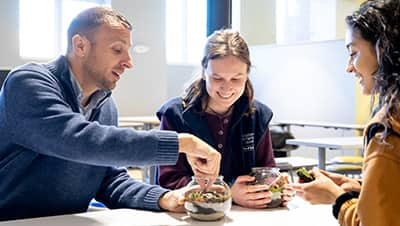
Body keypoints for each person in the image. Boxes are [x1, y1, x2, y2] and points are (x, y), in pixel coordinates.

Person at [0, 6, 221, 221]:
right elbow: (77, 140)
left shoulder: (106, 106)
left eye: (128, 51)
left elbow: (109, 180)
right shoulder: (27, 83)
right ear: (80, 45)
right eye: (117, 49)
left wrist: (164, 197)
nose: (128, 62)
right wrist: (181, 143)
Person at [156, 29, 293, 209]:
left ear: (247, 74)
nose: (227, 88)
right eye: (217, 77)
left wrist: (275, 188)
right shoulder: (175, 115)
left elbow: (265, 171)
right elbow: (169, 182)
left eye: (236, 78)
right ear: (204, 70)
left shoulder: (257, 115)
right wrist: (226, 191)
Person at [292, 1, 400, 225]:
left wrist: (337, 198)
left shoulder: (388, 129)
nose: (349, 67)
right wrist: (363, 189)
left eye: (353, 53)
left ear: (383, 49)